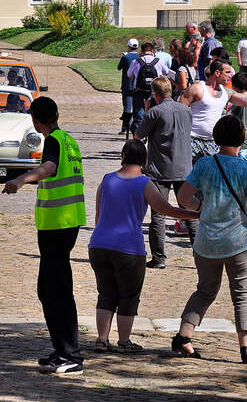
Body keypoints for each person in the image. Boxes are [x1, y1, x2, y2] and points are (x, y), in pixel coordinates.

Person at [174, 115, 247, 364]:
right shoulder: (246, 168)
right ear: (242, 138)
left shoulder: (205, 165)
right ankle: (246, 348)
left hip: (207, 240)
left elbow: (183, 198)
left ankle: (184, 336)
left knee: (205, 290)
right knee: (243, 293)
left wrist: (202, 207)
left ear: (216, 137)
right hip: (238, 240)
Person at [2, 97, 86, 375]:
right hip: (67, 223)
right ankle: (62, 349)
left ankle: (70, 354)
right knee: (49, 289)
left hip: (57, 225)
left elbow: (49, 168)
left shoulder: (53, 142)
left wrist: (21, 179)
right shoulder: (69, 141)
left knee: (56, 291)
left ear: (36, 121)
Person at [90, 140, 199, 352]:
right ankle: (124, 341)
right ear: (145, 161)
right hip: (129, 248)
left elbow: (98, 215)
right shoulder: (144, 183)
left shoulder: (107, 179)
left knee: (105, 294)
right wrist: (195, 214)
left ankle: (102, 339)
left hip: (99, 244)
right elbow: (166, 209)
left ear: (122, 156)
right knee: (128, 296)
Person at [179, 59, 247, 241]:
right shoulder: (197, 89)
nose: (231, 75)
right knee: (194, 185)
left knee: (211, 185)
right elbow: (180, 112)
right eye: (227, 72)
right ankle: (194, 227)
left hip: (214, 143)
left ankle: (207, 223)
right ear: (217, 72)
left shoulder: (226, 93)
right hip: (193, 142)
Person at [134, 77, 193, 269]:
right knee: (190, 212)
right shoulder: (186, 110)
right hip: (184, 167)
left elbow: (138, 135)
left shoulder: (155, 112)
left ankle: (159, 258)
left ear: (155, 94)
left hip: (161, 168)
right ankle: (201, 254)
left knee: (158, 215)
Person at [127, 42, 170, 134]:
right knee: (155, 113)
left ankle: (139, 139)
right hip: (155, 91)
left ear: (141, 51)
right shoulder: (158, 61)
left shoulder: (136, 61)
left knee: (139, 115)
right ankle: (154, 134)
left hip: (139, 91)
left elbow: (129, 74)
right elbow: (166, 71)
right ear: (152, 51)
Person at [227, 73, 247, 161]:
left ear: (235, 86)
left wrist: (235, 151)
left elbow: (242, 129)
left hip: (242, 148)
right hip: (237, 146)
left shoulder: (243, 105)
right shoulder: (243, 100)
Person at [117, 39, 139, 135]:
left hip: (127, 85)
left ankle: (124, 128)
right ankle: (135, 126)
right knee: (137, 107)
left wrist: (124, 56)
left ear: (129, 47)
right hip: (137, 86)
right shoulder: (140, 56)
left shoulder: (126, 57)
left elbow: (119, 67)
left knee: (127, 107)